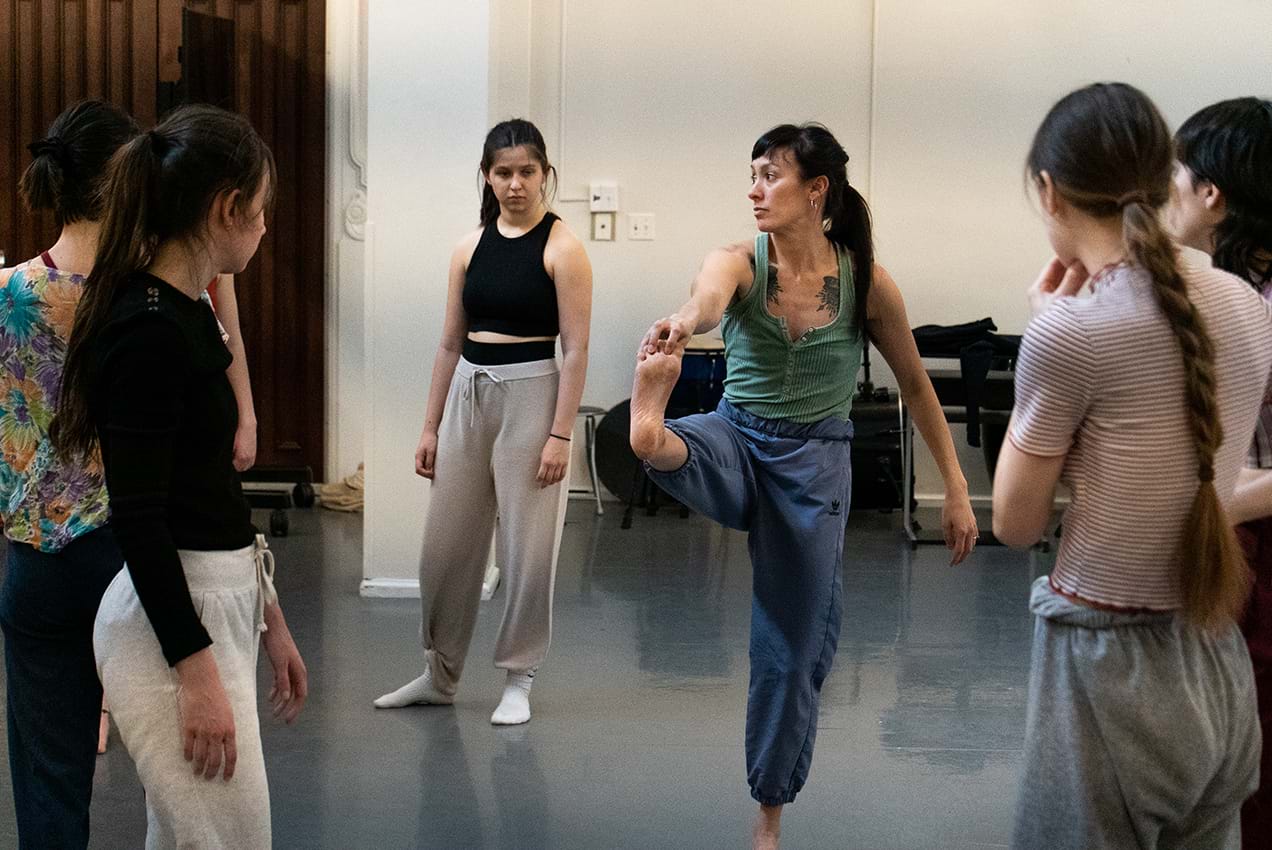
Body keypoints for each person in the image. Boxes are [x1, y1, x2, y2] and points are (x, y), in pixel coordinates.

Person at [628, 122, 979, 850]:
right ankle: (648, 432)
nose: (754, 191)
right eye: (752, 175)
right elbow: (708, 300)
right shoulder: (738, 261)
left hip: (814, 467)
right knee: (672, 446)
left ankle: (768, 815)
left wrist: (954, 488)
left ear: (816, 190)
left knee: (792, 649)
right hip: (737, 435)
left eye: (771, 176)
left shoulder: (867, 282)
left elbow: (917, 386)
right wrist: (684, 322)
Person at [994, 82, 1272, 850]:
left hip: (1108, 671)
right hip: (1215, 661)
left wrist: (1046, 336)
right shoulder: (1244, 302)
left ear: (1050, 192)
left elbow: (1015, 523)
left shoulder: (1071, 332)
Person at [51, 103, 308, 849]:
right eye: (261, 211)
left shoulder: (188, 313)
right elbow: (140, 520)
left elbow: (210, 493)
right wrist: (195, 676)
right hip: (171, 626)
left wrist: (269, 615)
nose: (265, 227)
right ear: (227, 209)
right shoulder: (148, 330)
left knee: (193, 837)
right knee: (226, 838)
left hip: (213, 603)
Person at [374, 118, 592, 726]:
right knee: (443, 549)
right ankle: (439, 674)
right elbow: (449, 343)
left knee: (527, 548)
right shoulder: (469, 247)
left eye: (527, 172)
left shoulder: (563, 249)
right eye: (503, 172)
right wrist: (430, 426)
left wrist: (560, 435)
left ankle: (519, 677)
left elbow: (575, 349)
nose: (516, 184)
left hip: (533, 397)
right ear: (487, 177)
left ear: (545, 174)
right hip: (469, 396)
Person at [0, 99, 136, 850]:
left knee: (48, 788)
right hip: (132, 556)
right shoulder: (152, 299)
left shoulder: (8, 294)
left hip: (35, 561)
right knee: (184, 781)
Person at [1167, 96, 1272, 850]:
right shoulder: (1233, 294)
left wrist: (1218, 507)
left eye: (1176, 171)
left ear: (1212, 192)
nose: (1163, 189)